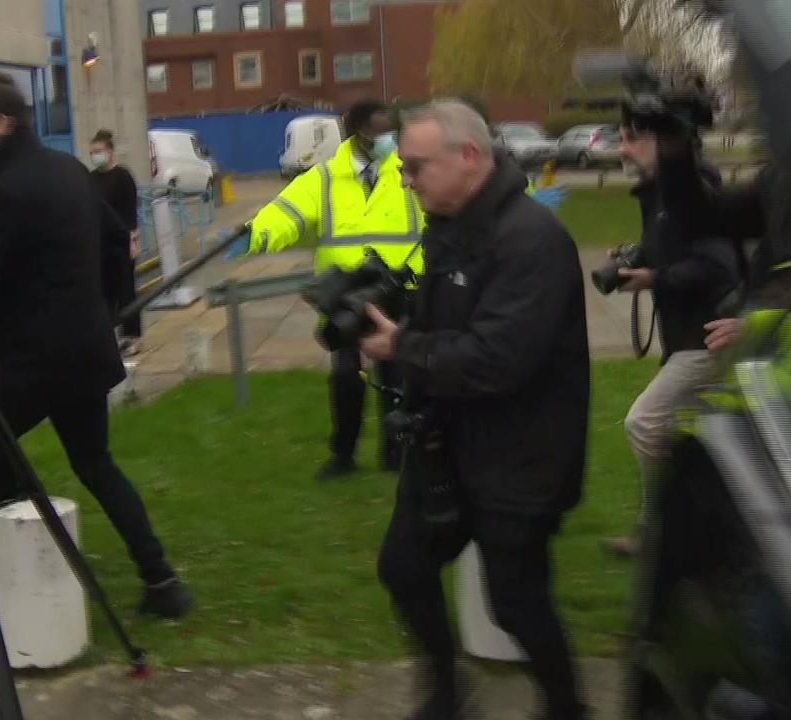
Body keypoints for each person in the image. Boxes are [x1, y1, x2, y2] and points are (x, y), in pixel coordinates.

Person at [0, 71, 192, 630]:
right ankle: (162, 582)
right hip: (82, 350)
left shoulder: (4, 189)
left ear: (2, 122)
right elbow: (118, 243)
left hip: (33, 360)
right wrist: (107, 308)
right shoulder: (67, 169)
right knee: (94, 464)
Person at [361, 99, 591, 720]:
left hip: (522, 458)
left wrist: (401, 347)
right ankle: (445, 693)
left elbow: (495, 359)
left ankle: (568, 707)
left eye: (416, 166)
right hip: (447, 446)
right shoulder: (450, 225)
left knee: (516, 603)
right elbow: (449, 323)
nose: (406, 179)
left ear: (468, 157)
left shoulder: (532, 240)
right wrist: (392, 319)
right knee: (404, 569)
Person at [248, 99, 420, 479]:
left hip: (396, 288)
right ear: (357, 132)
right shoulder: (324, 178)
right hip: (346, 294)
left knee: (395, 373)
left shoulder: (406, 171)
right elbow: (285, 214)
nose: (390, 138)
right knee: (346, 376)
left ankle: (396, 454)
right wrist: (256, 235)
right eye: (381, 131)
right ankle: (343, 454)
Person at [603, 109, 744, 557]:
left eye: (631, 139)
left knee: (645, 424)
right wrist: (632, 257)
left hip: (708, 339)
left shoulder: (694, 193)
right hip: (683, 339)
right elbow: (671, 248)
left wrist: (654, 278)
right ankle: (668, 531)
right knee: (687, 441)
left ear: (663, 142)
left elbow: (717, 266)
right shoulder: (658, 195)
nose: (622, 148)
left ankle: (669, 528)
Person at [89, 129, 143, 357]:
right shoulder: (91, 178)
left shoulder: (122, 177)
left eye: (99, 151)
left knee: (126, 290)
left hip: (122, 241)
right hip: (101, 244)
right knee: (105, 292)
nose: (95, 156)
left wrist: (132, 239)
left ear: (110, 152)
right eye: (92, 152)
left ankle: (133, 336)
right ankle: (112, 335)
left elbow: (131, 210)